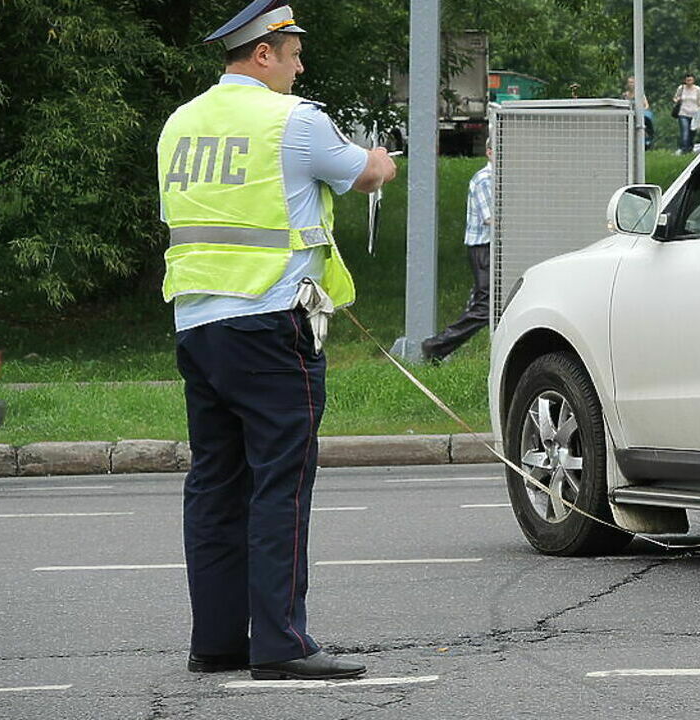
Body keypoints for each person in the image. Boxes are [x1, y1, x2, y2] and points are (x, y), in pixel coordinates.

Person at [157, 0, 397, 680]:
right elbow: (366, 174)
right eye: (292, 54)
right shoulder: (293, 121)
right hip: (270, 324)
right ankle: (283, 643)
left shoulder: (180, 124)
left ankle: (219, 640)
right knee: (280, 485)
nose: (299, 65)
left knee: (214, 484)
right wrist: (381, 158)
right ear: (263, 53)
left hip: (198, 324)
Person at [421, 141, 493, 362]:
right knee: (485, 306)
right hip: (484, 248)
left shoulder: (499, 178)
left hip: (491, 248)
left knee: (487, 303)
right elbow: (492, 219)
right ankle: (436, 347)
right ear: (489, 152)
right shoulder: (485, 179)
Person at [673, 73, 700, 153]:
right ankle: (684, 149)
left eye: (690, 80)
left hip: (694, 114)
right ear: (685, 81)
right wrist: (678, 100)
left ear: (693, 80)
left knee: (692, 133)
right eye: (687, 80)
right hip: (683, 113)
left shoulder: (697, 89)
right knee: (685, 132)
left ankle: (690, 148)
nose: (689, 82)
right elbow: (675, 98)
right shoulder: (681, 88)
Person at [623, 76, 654, 148]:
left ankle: (646, 141)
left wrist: (641, 110)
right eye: (629, 82)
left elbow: (646, 105)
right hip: (629, 115)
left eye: (632, 82)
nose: (631, 84)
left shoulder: (640, 94)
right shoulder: (625, 95)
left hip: (639, 115)